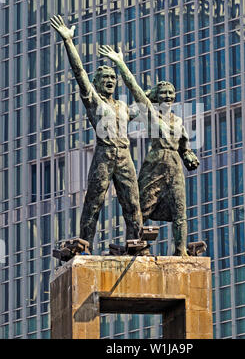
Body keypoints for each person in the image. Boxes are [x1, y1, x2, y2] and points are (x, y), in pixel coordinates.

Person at [50, 16, 143, 253]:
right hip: (104, 153)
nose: (111, 81)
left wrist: (121, 65)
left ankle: (136, 246)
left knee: (133, 203)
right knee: (94, 203)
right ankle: (84, 246)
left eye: (113, 78)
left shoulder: (122, 106)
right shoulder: (93, 101)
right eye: (106, 78)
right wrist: (69, 42)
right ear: (97, 83)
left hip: (124, 155)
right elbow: (79, 71)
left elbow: (144, 100)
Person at [98, 45, 199, 256]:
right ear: (156, 95)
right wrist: (120, 63)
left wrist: (188, 155)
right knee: (140, 208)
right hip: (155, 164)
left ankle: (181, 251)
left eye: (171, 92)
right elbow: (135, 89)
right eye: (163, 92)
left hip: (174, 166)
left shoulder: (179, 120)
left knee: (180, 211)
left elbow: (184, 146)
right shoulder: (152, 114)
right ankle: (135, 246)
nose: (168, 95)